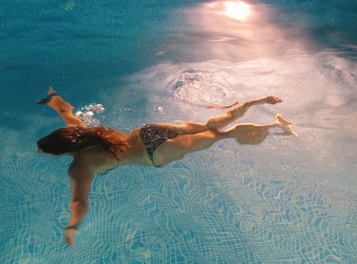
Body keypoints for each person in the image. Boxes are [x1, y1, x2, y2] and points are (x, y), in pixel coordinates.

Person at [36, 87, 297, 247]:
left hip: (155, 154)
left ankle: (276, 126)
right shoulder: (81, 131)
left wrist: (71, 227)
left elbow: (79, 202)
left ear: (62, 154)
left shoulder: (78, 166)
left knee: (221, 135)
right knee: (210, 125)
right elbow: (67, 112)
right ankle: (254, 102)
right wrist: (54, 99)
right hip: (146, 132)